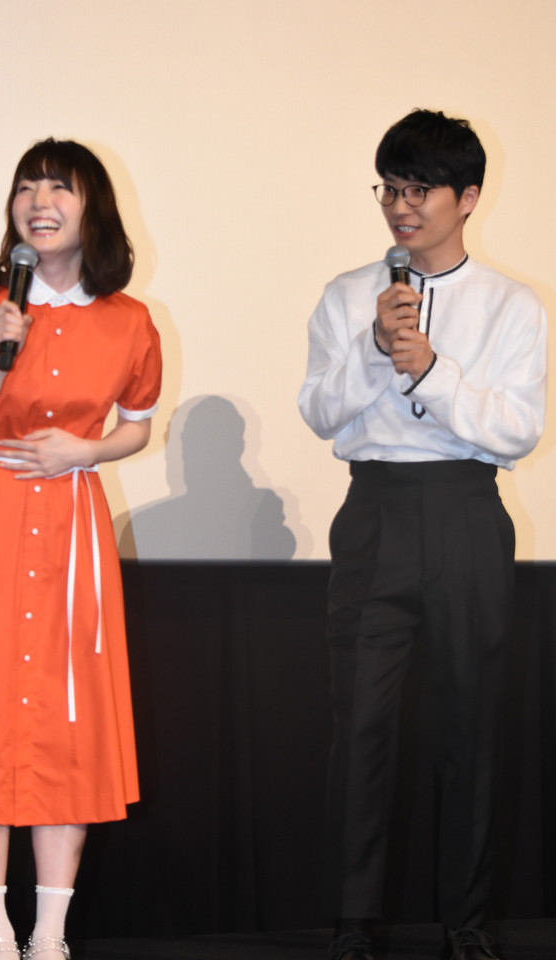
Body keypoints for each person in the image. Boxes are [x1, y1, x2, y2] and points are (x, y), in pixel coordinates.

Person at [298, 110, 546, 960]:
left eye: (419, 191)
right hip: (375, 512)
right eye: (391, 190)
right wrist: (376, 347)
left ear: (467, 198)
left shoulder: (514, 305)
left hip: (467, 511)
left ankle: (465, 923)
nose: (401, 207)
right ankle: (353, 921)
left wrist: (433, 372)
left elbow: (517, 429)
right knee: (360, 725)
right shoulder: (346, 295)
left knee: (469, 724)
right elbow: (319, 411)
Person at [0, 139, 162, 960]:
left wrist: (86, 451)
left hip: (70, 528)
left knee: (68, 725)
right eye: (28, 186)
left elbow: (137, 426)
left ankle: (49, 936)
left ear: (93, 209)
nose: (40, 201)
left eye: (60, 187)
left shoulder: (129, 321)